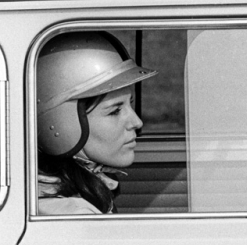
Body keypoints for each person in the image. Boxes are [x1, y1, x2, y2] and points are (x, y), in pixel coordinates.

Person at [36, 31, 157, 215]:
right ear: (61, 123)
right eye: (115, 111)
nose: (137, 122)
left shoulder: (77, 195)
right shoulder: (72, 215)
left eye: (129, 104)